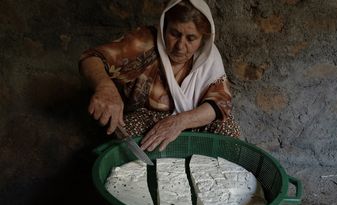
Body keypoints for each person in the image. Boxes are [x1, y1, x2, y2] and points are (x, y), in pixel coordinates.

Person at [79, 0, 240, 152]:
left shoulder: (208, 57)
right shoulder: (146, 42)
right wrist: (105, 88)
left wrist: (180, 122)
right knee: (123, 135)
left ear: (202, 39)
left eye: (191, 38)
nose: (180, 46)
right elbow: (91, 58)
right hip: (147, 123)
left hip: (190, 123)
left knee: (227, 126)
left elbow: (220, 104)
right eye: (174, 34)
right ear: (164, 27)